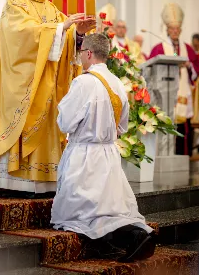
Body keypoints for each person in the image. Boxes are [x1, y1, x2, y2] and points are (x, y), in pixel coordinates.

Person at [0, 0, 96, 195]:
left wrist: (77, 32)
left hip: (48, 87)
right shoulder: (15, 4)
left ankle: (46, 183)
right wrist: (60, 28)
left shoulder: (49, 8)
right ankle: (17, 183)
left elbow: (66, 39)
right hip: (24, 85)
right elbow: (21, 38)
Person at [51, 33, 155, 262]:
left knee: (84, 214)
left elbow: (65, 123)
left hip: (84, 156)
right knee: (107, 208)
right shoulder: (117, 83)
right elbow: (123, 126)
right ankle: (135, 234)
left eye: (81, 53)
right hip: (108, 155)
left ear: (88, 53)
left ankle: (132, 237)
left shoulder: (83, 82)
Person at [149, 3, 199, 155]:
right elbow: (151, 69)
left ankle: (184, 156)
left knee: (184, 127)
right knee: (166, 123)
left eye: (177, 29)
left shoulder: (188, 49)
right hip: (165, 94)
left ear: (181, 30)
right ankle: (165, 156)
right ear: (167, 30)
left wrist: (189, 66)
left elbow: (196, 68)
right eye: (172, 29)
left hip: (183, 94)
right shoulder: (159, 48)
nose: (175, 31)